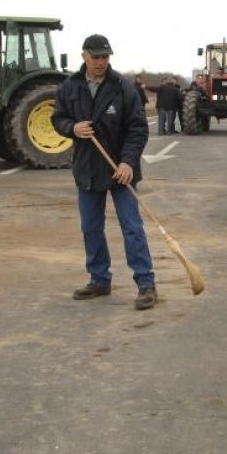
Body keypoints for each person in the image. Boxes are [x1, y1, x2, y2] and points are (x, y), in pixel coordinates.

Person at [50, 33, 158, 310]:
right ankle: (99, 279)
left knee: (132, 227)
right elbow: (58, 118)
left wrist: (127, 162)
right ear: (84, 55)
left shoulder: (122, 87)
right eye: (96, 57)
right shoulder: (69, 87)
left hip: (121, 171)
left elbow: (138, 129)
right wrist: (71, 129)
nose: (101, 62)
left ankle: (146, 284)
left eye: (105, 57)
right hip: (87, 170)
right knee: (90, 227)